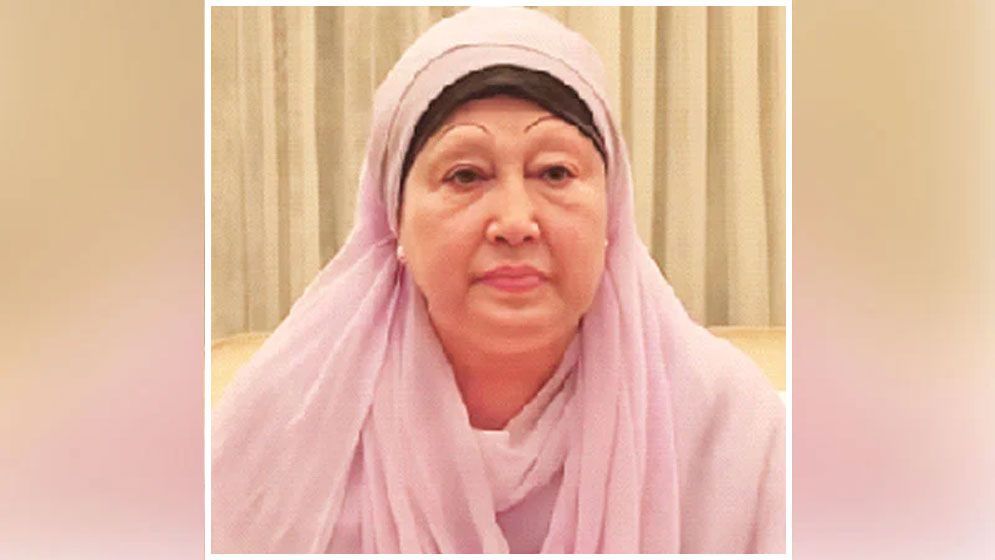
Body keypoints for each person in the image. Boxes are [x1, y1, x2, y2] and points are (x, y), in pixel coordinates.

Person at [212, 7, 784, 554]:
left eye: (554, 172)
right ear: (394, 218)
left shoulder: (731, 432)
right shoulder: (283, 431)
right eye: (466, 175)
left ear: (612, 212)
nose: (515, 222)